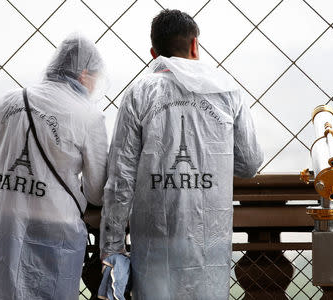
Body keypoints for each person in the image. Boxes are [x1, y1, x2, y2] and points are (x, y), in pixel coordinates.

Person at [100, 9, 263, 299]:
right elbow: (249, 163)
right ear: (194, 45)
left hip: (154, 237)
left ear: (154, 53)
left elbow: (121, 177)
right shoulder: (227, 90)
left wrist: (112, 247)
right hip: (209, 236)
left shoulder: (140, 92)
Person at [0, 33, 108, 300]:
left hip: (2, 232)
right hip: (54, 235)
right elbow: (97, 192)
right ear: (84, 75)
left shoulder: (9, 101)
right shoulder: (89, 115)